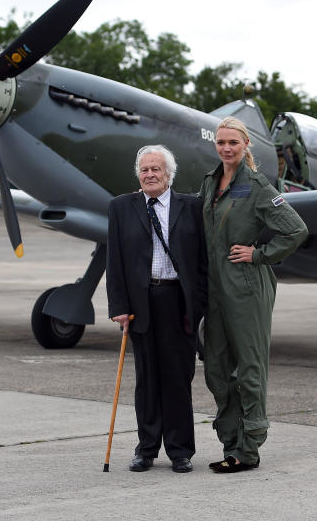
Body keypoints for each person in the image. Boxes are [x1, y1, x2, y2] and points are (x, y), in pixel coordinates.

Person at [199, 116, 309, 473]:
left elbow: (295, 230)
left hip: (246, 287)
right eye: (221, 143)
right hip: (216, 289)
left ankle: (248, 449)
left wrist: (258, 254)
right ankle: (231, 442)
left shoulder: (258, 185)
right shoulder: (209, 184)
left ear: (245, 146)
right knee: (216, 368)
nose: (226, 148)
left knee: (249, 369)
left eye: (233, 142)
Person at [107, 145, 207, 473]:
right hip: (141, 302)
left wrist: (200, 302)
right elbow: (115, 261)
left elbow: (203, 261)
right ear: (138, 174)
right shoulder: (121, 208)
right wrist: (119, 306)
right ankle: (146, 449)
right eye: (145, 169)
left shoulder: (191, 207)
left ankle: (180, 451)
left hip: (178, 300)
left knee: (178, 378)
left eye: (156, 169)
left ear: (169, 175)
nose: (150, 174)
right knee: (146, 379)